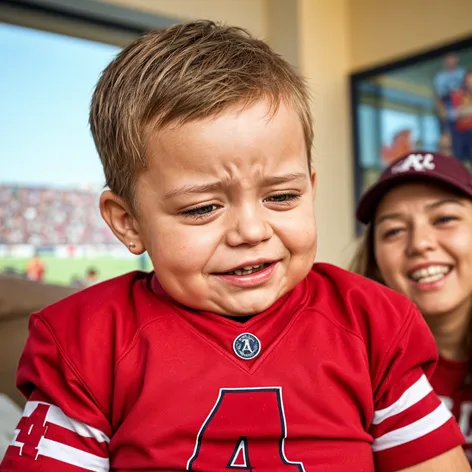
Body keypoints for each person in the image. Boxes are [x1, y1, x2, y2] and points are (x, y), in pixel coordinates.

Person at [0, 22, 468, 472]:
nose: (250, 230)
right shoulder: (92, 341)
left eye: (281, 197)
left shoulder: (371, 324)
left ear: (311, 188)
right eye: (202, 208)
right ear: (128, 223)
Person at [351, 150, 472, 463]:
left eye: (444, 219)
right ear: (375, 262)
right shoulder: (352, 369)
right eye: (394, 231)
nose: (419, 243)